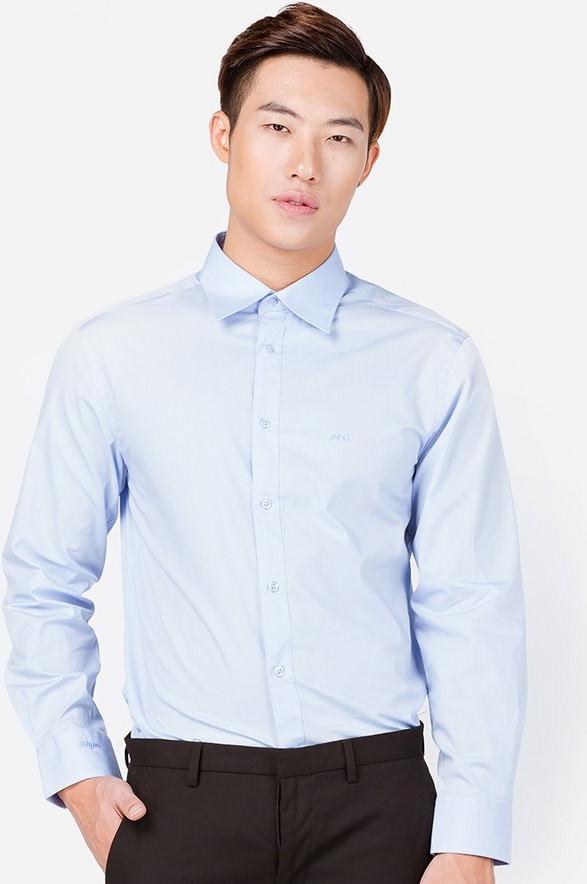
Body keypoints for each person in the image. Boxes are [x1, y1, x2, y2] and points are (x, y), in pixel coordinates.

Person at [1, 3, 527, 882]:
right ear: (224, 135)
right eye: (277, 126)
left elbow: (471, 601)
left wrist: (470, 835)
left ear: (368, 161)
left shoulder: (430, 360)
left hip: (379, 806)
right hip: (180, 805)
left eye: (337, 137)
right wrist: (79, 775)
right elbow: (44, 576)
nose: (303, 164)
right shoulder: (113, 355)